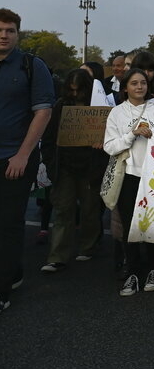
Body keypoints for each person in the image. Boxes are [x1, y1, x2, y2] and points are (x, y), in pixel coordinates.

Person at [0, 8, 56, 313]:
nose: (4, 35)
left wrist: (23, 154)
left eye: (10, 30)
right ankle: (13, 271)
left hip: (15, 159)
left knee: (8, 222)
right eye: (0, 30)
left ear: (18, 34)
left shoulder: (31, 66)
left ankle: (2, 289)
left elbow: (43, 112)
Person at [103, 69, 154, 295]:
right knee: (129, 225)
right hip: (128, 175)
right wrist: (133, 134)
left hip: (153, 177)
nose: (139, 87)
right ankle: (132, 271)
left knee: (151, 224)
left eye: (142, 83)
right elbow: (109, 146)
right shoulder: (117, 113)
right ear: (125, 88)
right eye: (134, 83)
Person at [39, 69, 109, 273]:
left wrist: (101, 148)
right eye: (72, 90)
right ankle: (57, 256)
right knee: (63, 211)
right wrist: (52, 166)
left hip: (90, 167)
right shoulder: (60, 106)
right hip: (65, 168)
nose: (76, 94)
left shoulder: (98, 106)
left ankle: (89, 246)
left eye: (79, 90)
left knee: (90, 210)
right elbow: (49, 138)